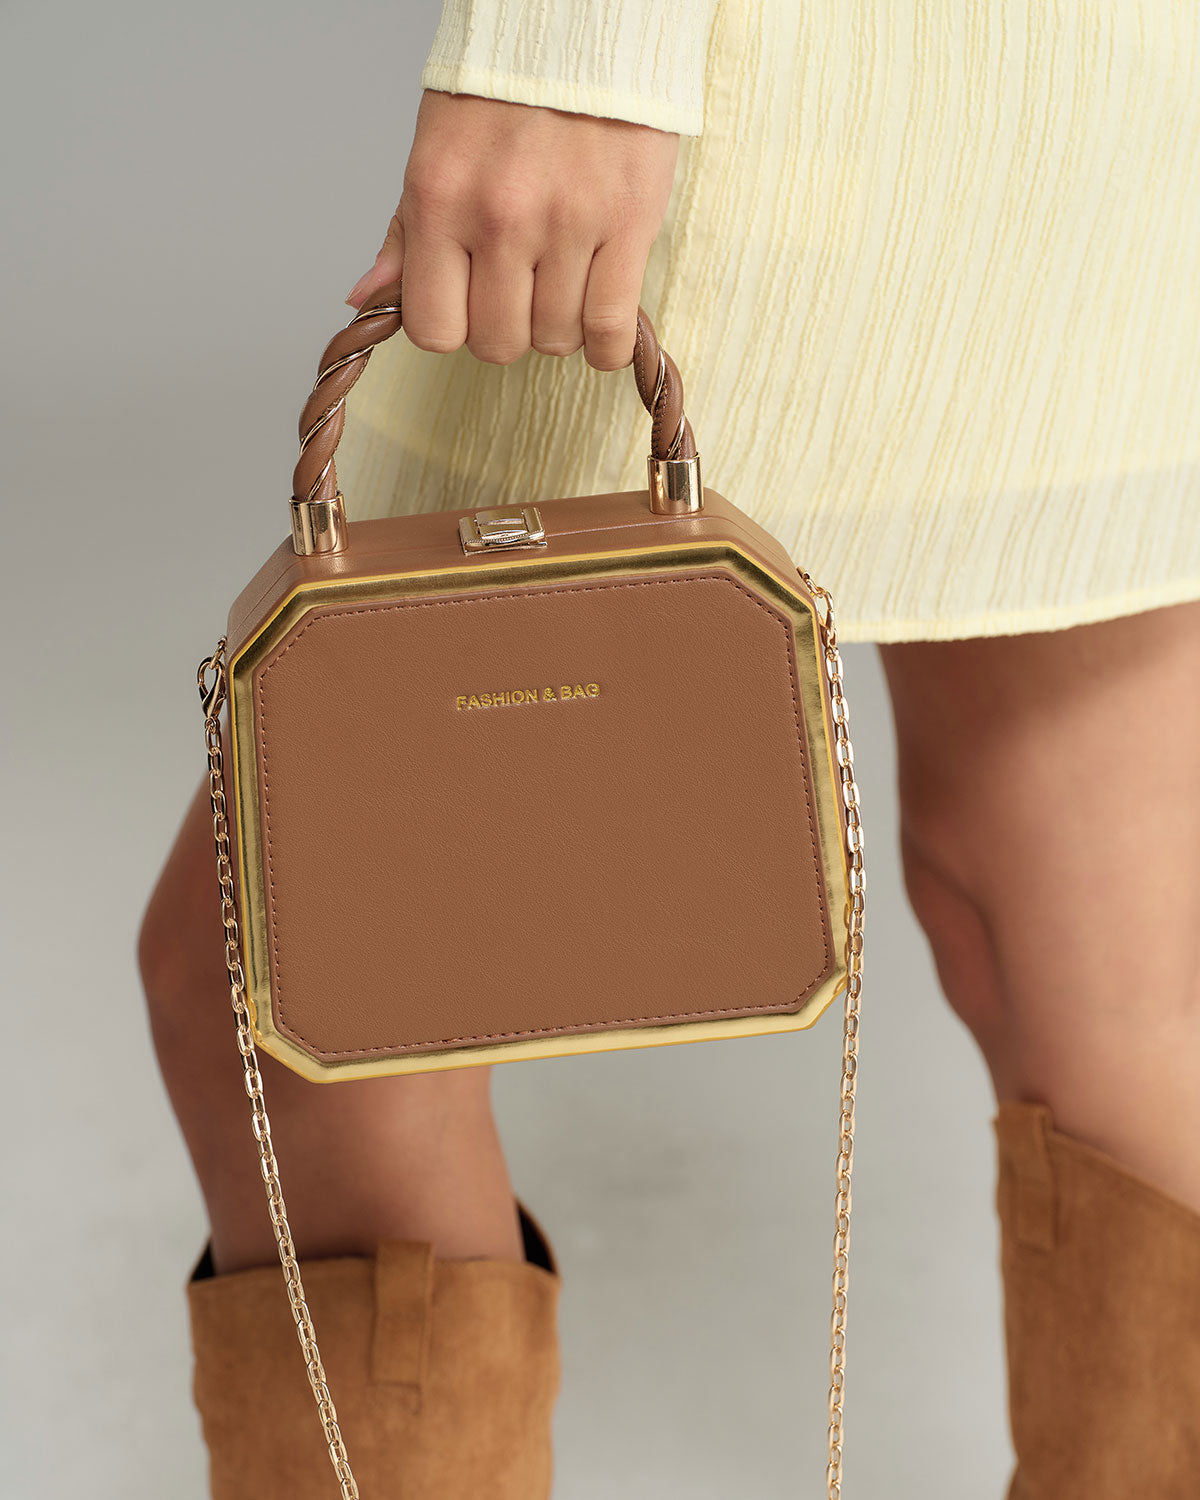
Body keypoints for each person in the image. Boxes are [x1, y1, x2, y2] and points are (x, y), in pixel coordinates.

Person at [137, 1, 1200, 1496]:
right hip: (1080, 77)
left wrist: (570, 50)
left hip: (775, 82)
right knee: (1087, 959)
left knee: (294, 1008)